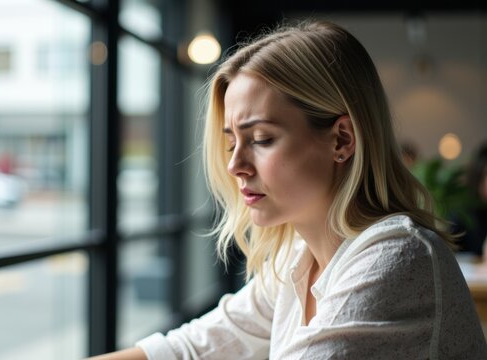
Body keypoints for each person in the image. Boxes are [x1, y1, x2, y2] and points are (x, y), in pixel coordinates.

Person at [88, 20, 486, 359]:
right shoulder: (300, 261)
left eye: (260, 139)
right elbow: (191, 349)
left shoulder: (396, 257)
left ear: (342, 140)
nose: (234, 165)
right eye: (231, 143)